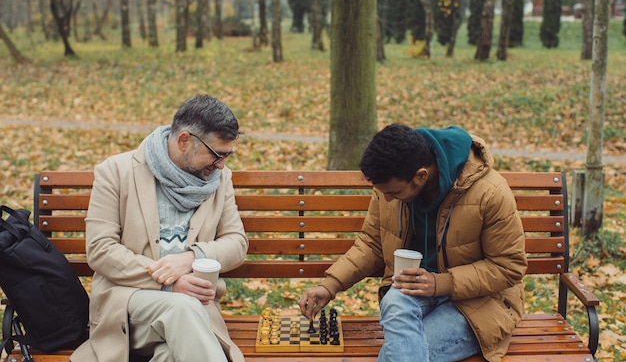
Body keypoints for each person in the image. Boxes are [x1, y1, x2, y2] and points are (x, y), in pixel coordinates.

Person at [298, 124, 527, 362]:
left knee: (395, 355)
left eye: (394, 192)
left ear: (421, 175)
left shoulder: (490, 192)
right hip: (414, 291)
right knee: (395, 304)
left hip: (479, 304)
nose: (387, 198)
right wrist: (330, 285)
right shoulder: (391, 182)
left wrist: (441, 283)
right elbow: (372, 243)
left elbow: (508, 267)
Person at [71, 95, 249, 362]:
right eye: (217, 154)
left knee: (170, 355)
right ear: (184, 140)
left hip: (194, 312)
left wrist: (191, 258)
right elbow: (100, 250)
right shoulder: (116, 172)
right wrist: (170, 283)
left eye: (227, 155)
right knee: (183, 309)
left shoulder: (220, 179)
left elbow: (237, 243)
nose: (222, 165)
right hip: (128, 304)